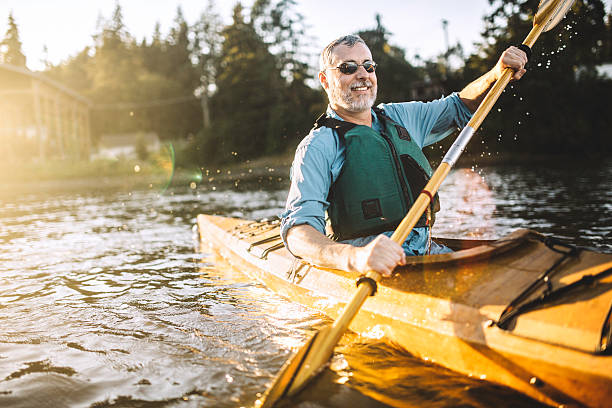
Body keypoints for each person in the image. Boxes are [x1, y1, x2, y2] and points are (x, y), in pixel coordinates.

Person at [280, 34, 528, 278]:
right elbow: (297, 233)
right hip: (370, 269)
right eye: (348, 68)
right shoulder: (317, 146)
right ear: (325, 80)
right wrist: (356, 257)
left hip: (427, 253)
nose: (363, 74)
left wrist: (496, 73)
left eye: (368, 66)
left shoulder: (400, 118)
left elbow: (460, 106)